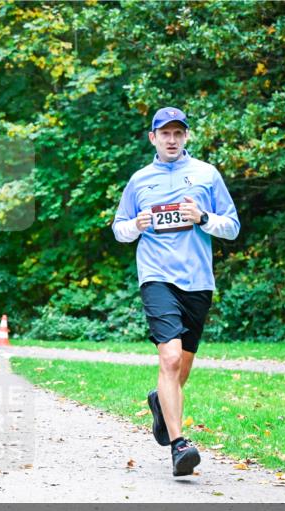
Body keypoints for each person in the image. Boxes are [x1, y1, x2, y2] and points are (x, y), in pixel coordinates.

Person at [112, 107, 240, 477]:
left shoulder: (206, 175)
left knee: (180, 370)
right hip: (156, 276)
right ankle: (179, 446)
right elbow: (119, 229)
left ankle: (159, 402)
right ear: (152, 138)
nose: (171, 139)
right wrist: (135, 225)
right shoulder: (139, 181)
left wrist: (202, 218)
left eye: (177, 133)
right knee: (168, 360)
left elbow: (231, 226)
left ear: (186, 137)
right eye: (164, 133)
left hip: (198, 281)